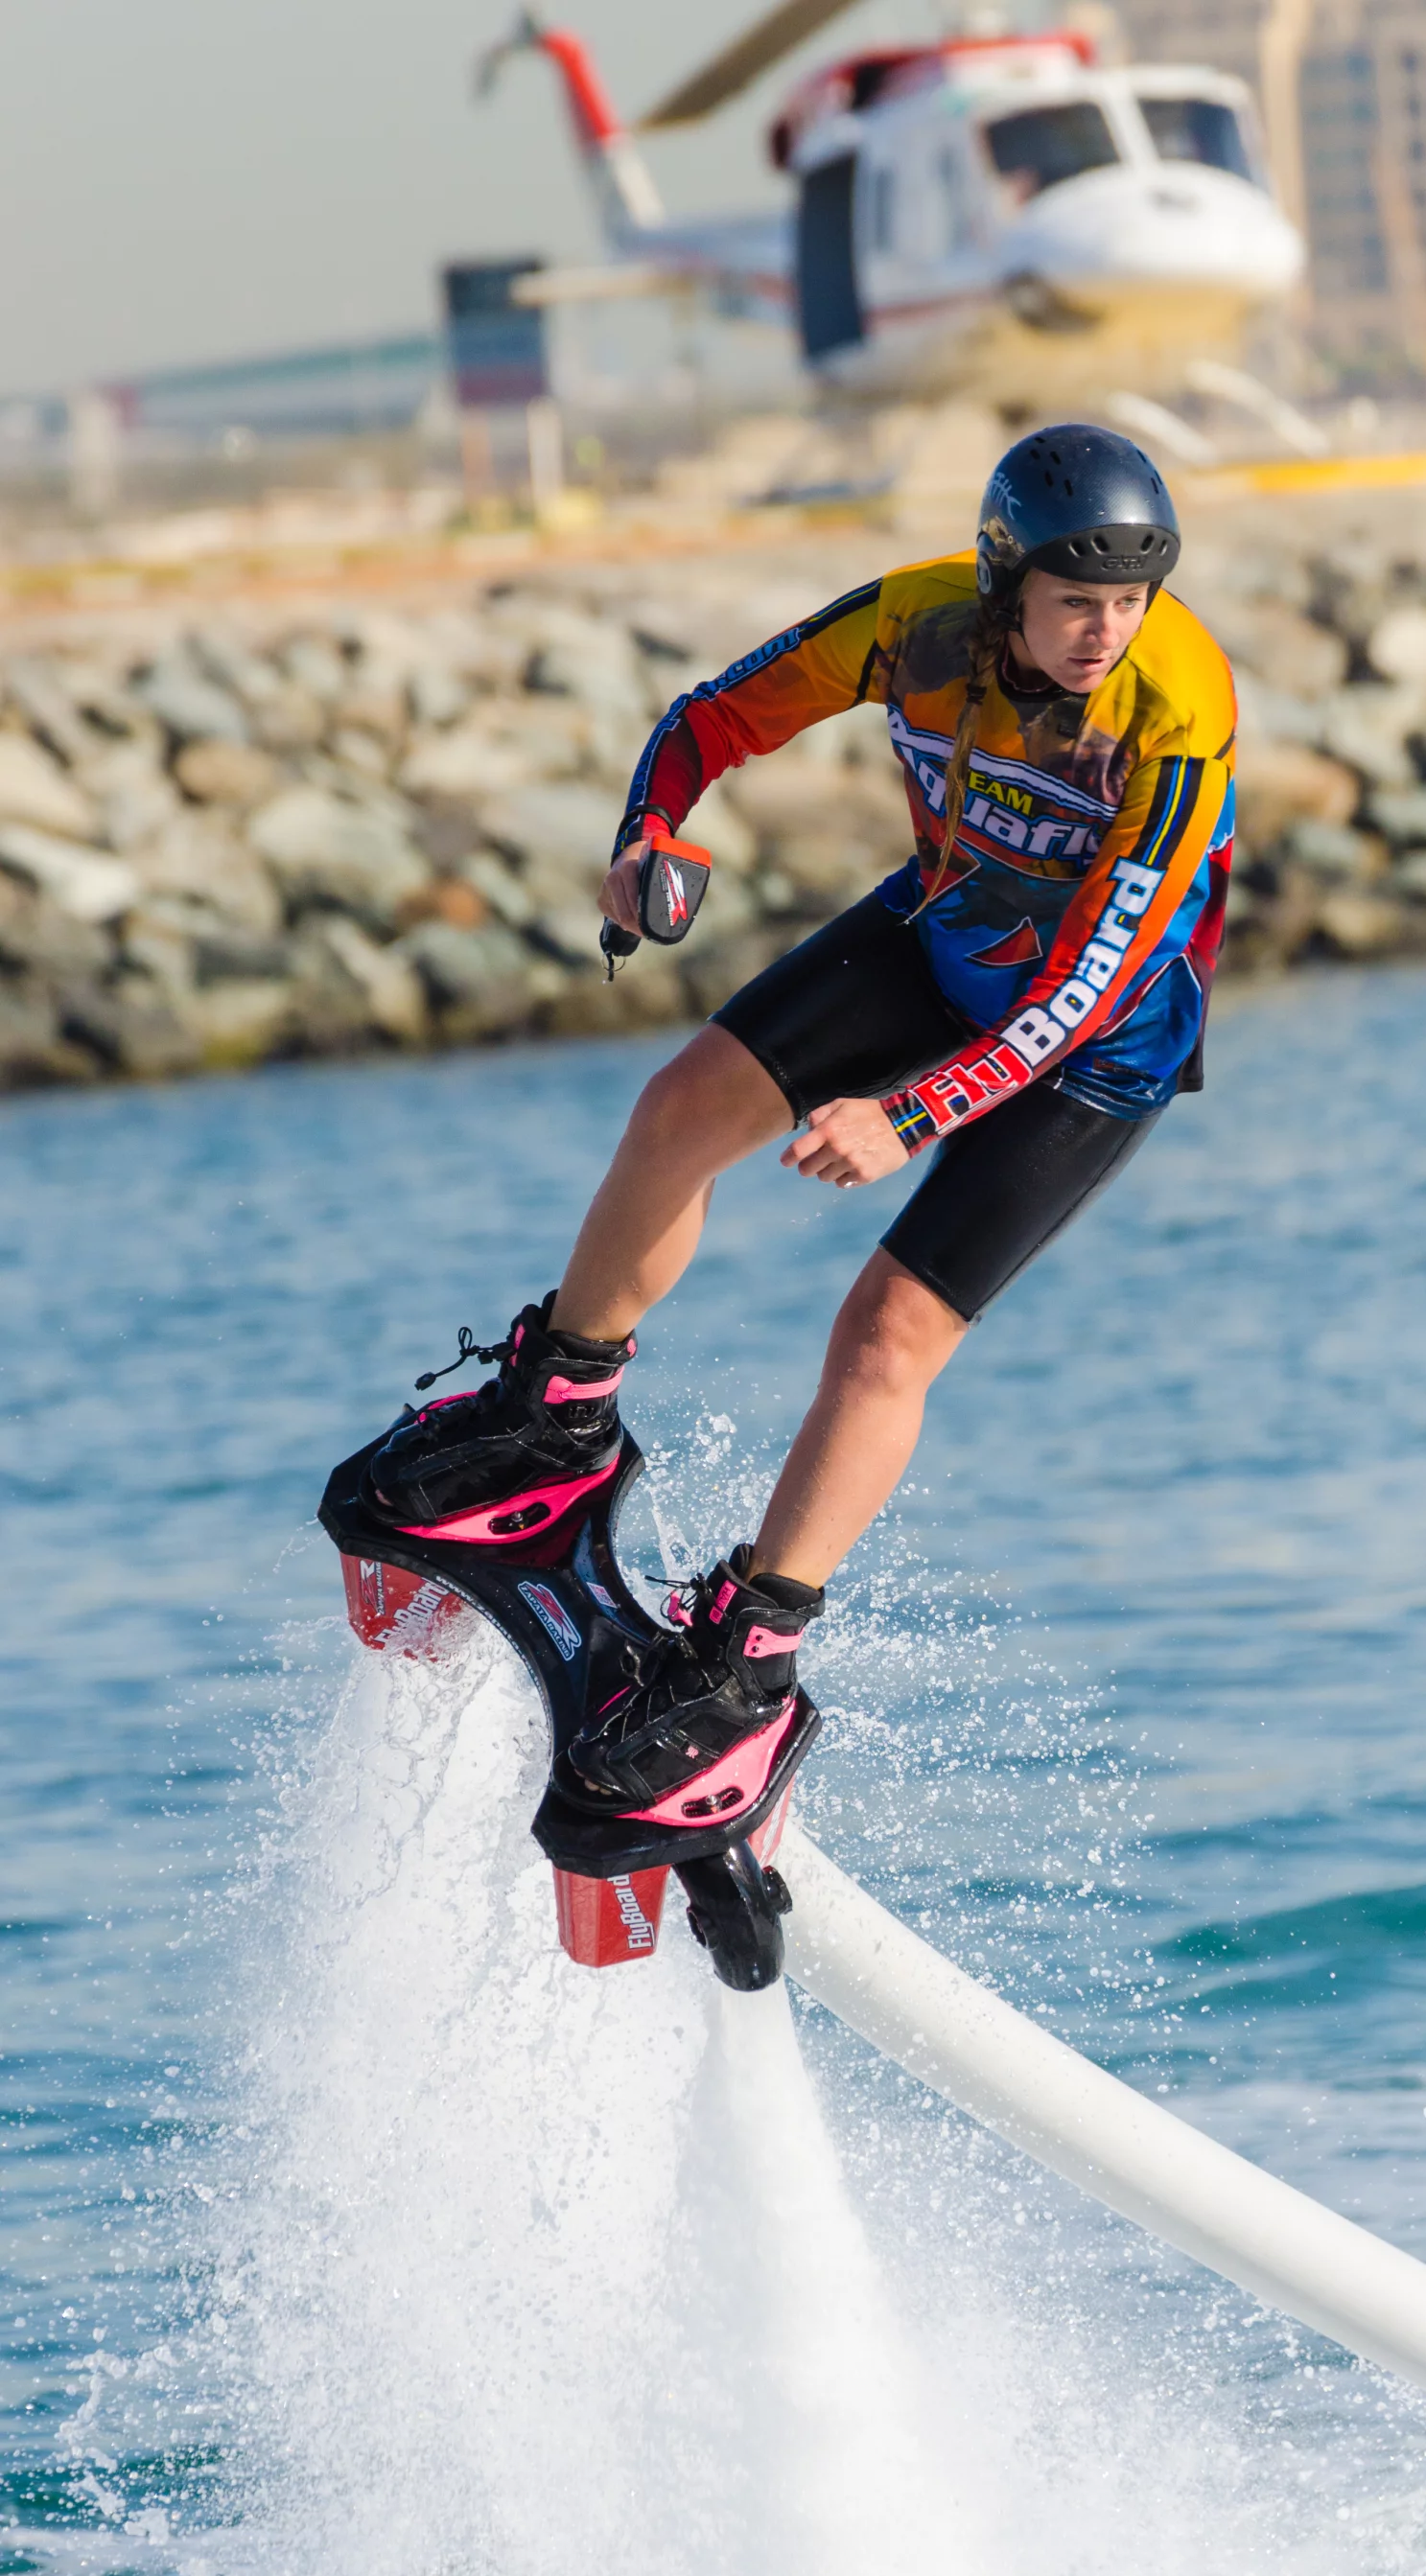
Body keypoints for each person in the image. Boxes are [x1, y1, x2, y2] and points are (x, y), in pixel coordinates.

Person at [356, 424, 1236, 1830]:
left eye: (1131, 602)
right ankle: (558, 1424)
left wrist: (915, 1110)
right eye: (1079, 602)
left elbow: (1098, 978)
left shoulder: (1174, 708)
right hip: (946, 930)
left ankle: (750, 1665)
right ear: (1006, 582)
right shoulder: (912, 623)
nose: (1106, 632)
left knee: (886, 1333)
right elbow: (716, 717)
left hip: (1093, 1041)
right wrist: (654, 832)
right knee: (679, 1108)